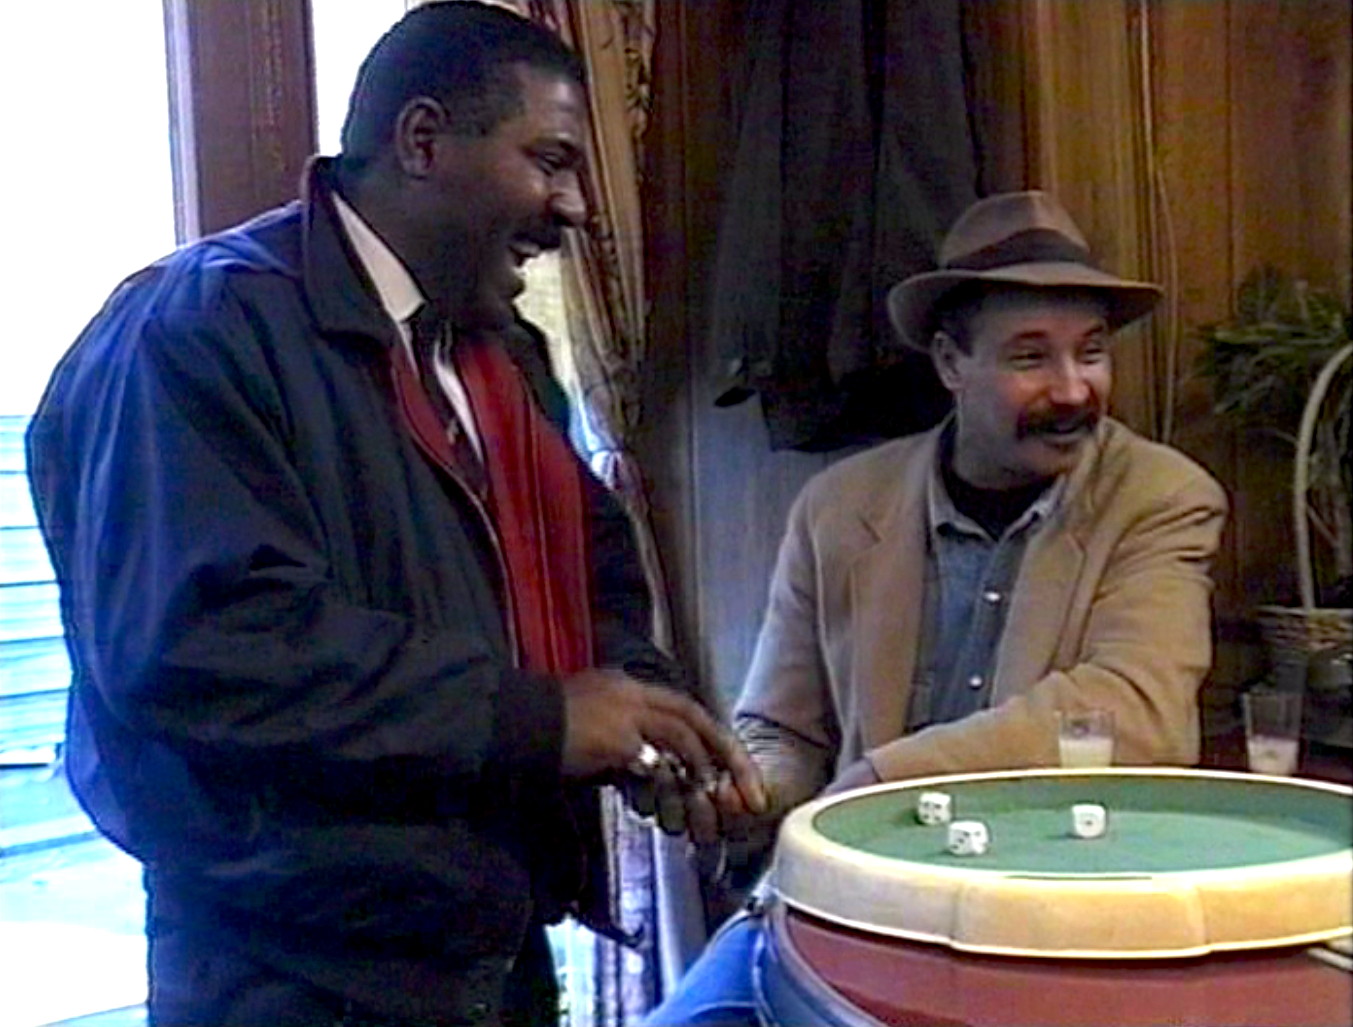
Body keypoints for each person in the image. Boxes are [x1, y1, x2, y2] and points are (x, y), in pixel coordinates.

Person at [26, 4, 764, 1025]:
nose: (576, 208)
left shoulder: (503, 358)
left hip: (491, 947)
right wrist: (542, 718)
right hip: (289, 979)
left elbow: (590, 581)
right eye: (550, 160)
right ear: (422, 140)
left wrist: (644, 718)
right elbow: (204, 647)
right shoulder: (195, 330)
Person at [643, 190, 1227, 1025]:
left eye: (1091, 352)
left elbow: (1135, 712)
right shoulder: (836, 507)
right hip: (852, 903)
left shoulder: (1162, 497)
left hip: (1056, 916)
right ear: (950, 363)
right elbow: (783, 729)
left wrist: (881, 779)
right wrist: (749, 790)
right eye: (1031, 357)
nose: (1073, 389)